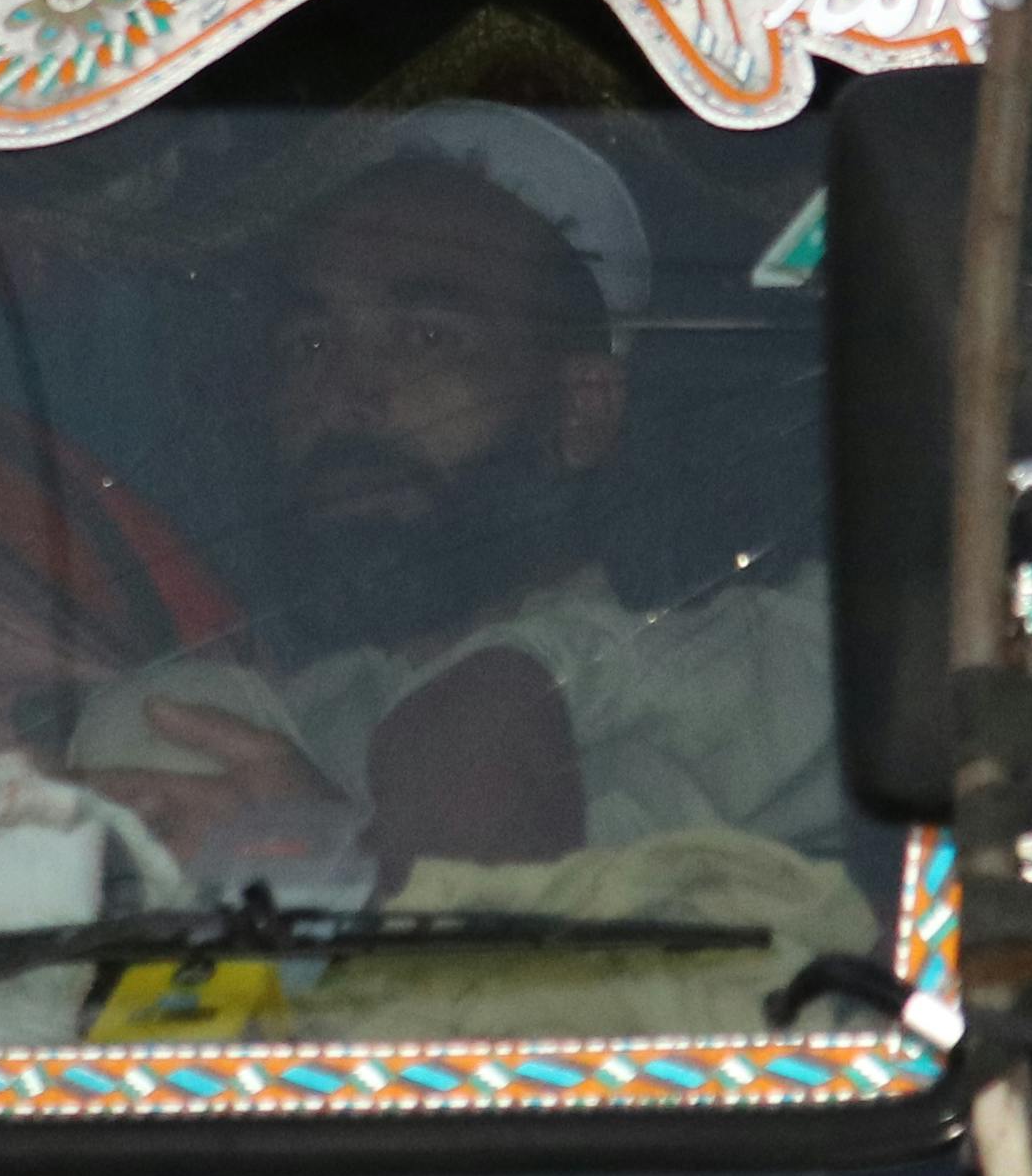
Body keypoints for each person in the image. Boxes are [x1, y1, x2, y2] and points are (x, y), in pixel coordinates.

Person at [90, 108, 836, 877]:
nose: (346, 392)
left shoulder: (775, 663)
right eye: (309, 344)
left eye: (426, 337)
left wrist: (341, 874)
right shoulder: (275, 721)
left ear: (581, 410)